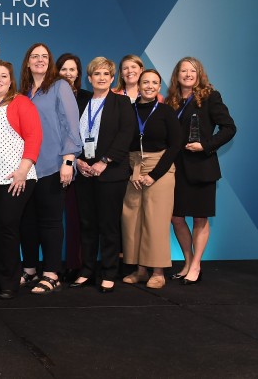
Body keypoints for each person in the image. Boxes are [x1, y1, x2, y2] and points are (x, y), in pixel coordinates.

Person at [0, 59, 41, 300]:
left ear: (10, 80)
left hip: (15, 177)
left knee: (7, 229)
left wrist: (23, 170)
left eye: (4, 76)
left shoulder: (20, 102)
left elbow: (34, 136)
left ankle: (9, 282)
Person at [166, 57, 236, 284]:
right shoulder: (171, 101)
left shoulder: (210, 97)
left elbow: (229, 128)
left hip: (201, 168)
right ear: (177, 75)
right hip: (176, 169)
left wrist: (205, 145)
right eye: (183, 71)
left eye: (192, 70)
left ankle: (196, 265)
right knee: (176, 218)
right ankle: (187, 261)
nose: (187, 74)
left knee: (199, 218)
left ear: (199, 74)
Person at [19, 43, 81, 295]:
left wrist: (69, 160)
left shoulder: (60, 86)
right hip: (26, 167)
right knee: (27, 221)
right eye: (35, 56)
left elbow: (71, 124)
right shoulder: (22, 92)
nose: (40, 60)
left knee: (51, 222)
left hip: (53, 164)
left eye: (44, 56)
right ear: (27, 62)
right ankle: (30, 269)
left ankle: (52, 273)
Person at [71, 57, 136, 293]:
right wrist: (77, 161)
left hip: (110, 173)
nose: (101, 78)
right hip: (84, 172)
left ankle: (109, 271)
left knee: (109, 225)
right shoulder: (81, 103)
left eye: (106, 74)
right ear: (89, 78)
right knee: (87, 224)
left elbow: (126, 134)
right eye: (96, 74)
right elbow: (71, 133)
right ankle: (87, 270)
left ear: (112, 78)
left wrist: (104, 162)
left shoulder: (122, 102)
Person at [121, 69, 181, 289]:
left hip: (160, 167)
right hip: (133, 165)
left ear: (159, 87)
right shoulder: (128, 110)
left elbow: (175, 145)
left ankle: (158, 272)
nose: (149, 86)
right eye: (145, 82)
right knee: (133, 220)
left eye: (154, 83)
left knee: (155, 221)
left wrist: (154, 175)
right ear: (139, 84)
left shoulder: (166, 111)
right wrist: (131, 172)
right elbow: (122, 141)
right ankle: (141, 270)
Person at [56, 53, 89, 282]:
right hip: (51, 162)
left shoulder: (87, 97)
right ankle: (53, 264)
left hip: (80, 164)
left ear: (78, 73)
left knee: (77, 218)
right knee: (53, 219)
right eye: (64, 69)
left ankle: (75, 264)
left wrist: (76, 159)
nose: (68, 73)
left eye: (72, 69)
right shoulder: (50, 94)